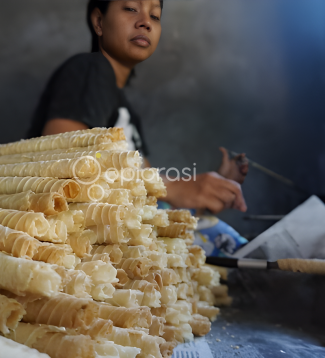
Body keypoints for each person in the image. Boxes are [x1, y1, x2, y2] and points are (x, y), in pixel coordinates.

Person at [28, 0, 248, 214]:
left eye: (155, 15)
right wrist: (173, 186)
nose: (146, 22)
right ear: (99, 21)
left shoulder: (127, 114)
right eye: (131, 8)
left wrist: (216, 191)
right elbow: (63, 164)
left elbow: (150, 202)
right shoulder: (90, 68)